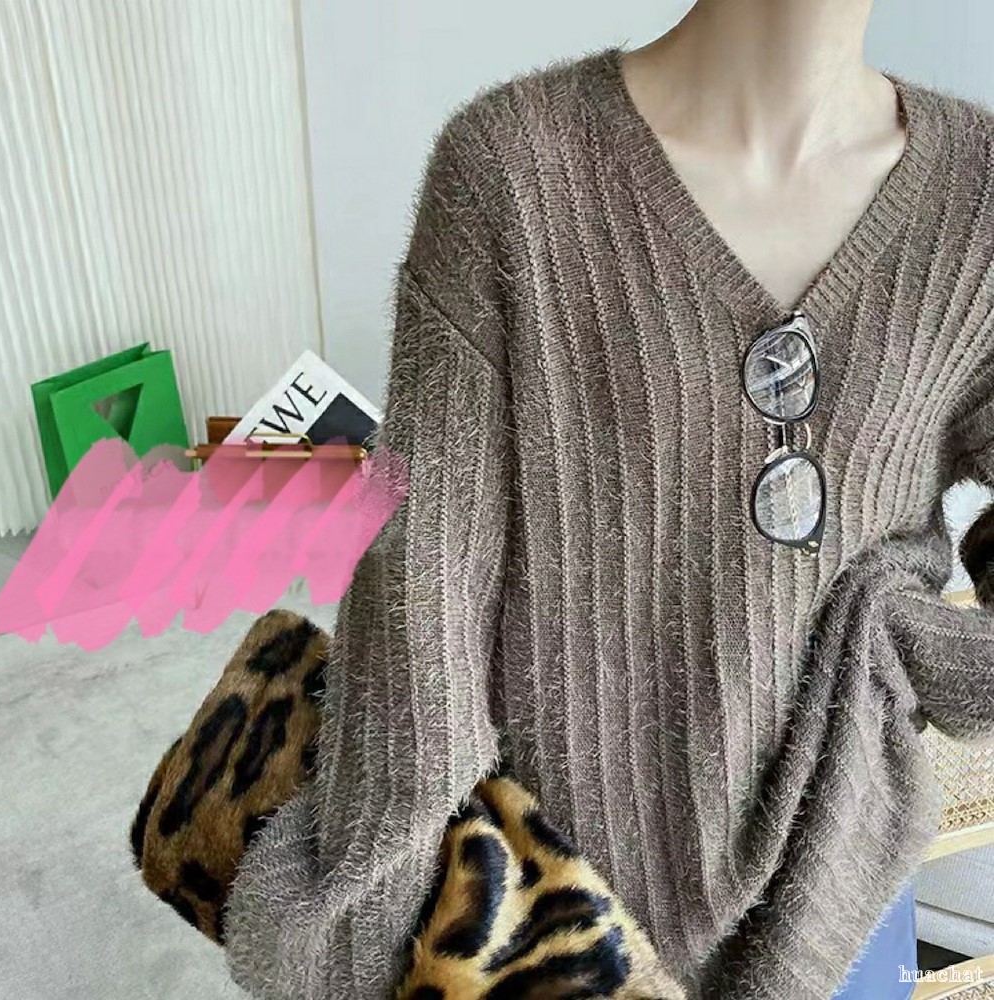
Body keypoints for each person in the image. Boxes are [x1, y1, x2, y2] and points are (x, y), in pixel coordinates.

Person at [222, 1, 994, 998]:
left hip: (837, 907)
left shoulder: (976, 198)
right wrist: (378, 940)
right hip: (559, 907)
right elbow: (424, 585)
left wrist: (907, 643)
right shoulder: (511, 170)